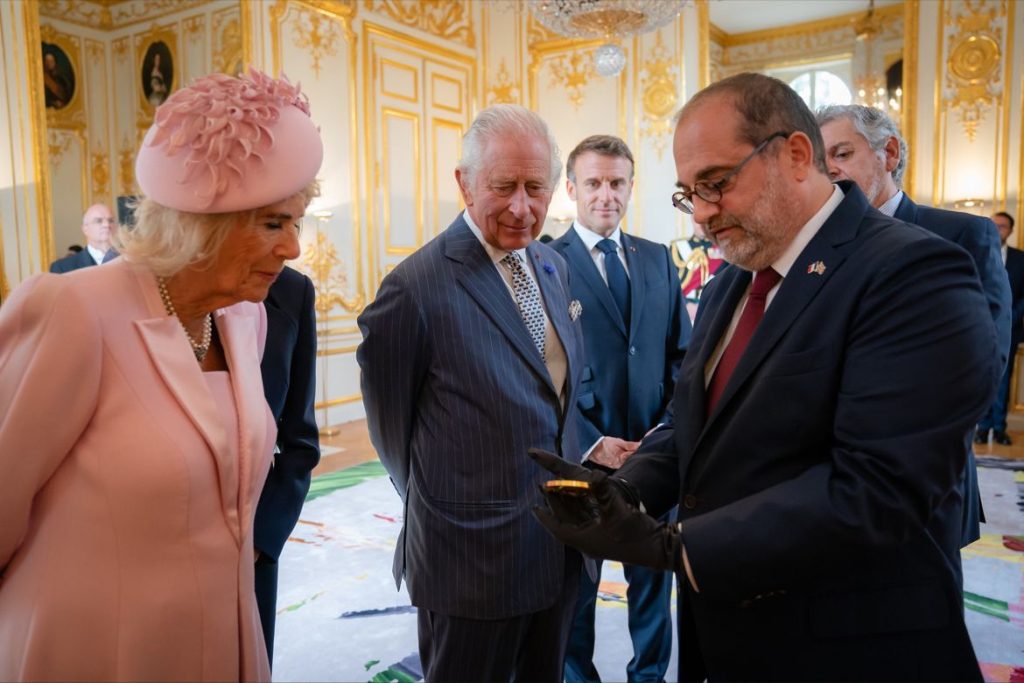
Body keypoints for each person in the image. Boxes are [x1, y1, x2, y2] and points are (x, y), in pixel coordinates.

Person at [530, 72, 996, 681]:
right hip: (728, 632)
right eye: (689, 194)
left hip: (847, 645)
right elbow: (695, 423)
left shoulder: (914, 272)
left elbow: (878, 490)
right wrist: (625, 490)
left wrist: (676, 547)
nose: (701, 215)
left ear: (796, 155)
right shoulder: (732, 279)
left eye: (717, 183)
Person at [0, 68, 323, 681]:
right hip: (92, 649)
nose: (293, 249)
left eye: (296, 224)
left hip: (221, 637)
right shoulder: (73, 309)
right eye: (273, 223)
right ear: (203, 221)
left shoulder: (243, 319)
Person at [357, 104, 587, 682]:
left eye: (536, 187)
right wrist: (451, 510)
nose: (522, 207)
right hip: (470, 564)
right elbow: (392, 436)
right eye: (503, 187)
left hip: (559, 547)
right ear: (464, 183)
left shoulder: (553, 266)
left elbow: (554, 397)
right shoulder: (414, 289)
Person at [817, 103, 1010, 546]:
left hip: (926, 473)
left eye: (842, 154)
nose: (830, 170)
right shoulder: (820, 249)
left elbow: (985, 359)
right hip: (832, 482)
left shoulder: (962, 234)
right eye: (821, 163)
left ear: (888, 153)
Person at [551, 134, 690, 683]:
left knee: (654, 585)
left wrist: (664, 433)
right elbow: (540, 375)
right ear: (571, 188)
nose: (606, 194)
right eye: (594, 182)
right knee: (577, 593)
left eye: (617, 182)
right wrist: (590, 441)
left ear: (631, 186)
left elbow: (682, 356)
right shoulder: (545, 263)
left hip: (652, 456)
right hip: (581, 458)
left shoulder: (657, 259)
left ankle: (649, 678)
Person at [255, 264, 321, 666]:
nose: (291, 248)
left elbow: (300, 439)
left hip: (252, 542)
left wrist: (263, 539)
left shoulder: (292, 290)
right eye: (271, 230)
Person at [977, 211, 1023, 445]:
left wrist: (1010, 317)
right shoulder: (977, 252)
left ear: (1011, 230)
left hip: (1011, 328)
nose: (997, 230)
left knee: (1004, 380)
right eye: (994, 225)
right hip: (980, 327)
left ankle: (999, 428)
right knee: (983, 377)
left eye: (1002, 226)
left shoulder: (1020, 259)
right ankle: (982, 428)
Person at [50, 203, 116, 272]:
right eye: (99, 221)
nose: (106, 225)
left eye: (111, 220)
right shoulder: (62, 267)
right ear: (85, 229)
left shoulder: (124, 260)